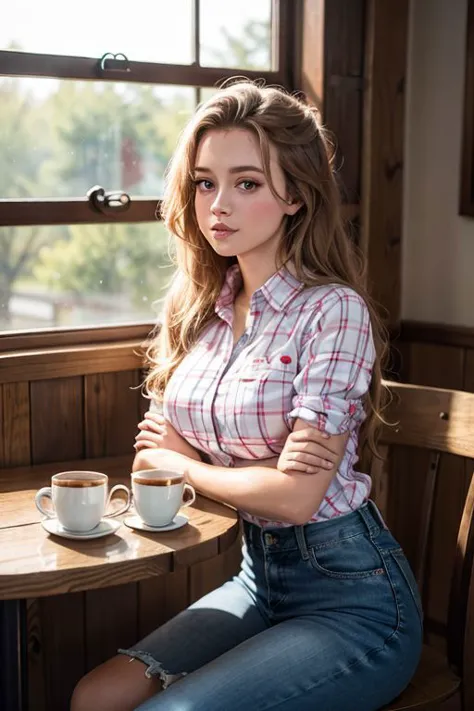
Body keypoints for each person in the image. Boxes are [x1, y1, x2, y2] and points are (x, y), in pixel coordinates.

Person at [71, 81, 423, 711]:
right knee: (94, 696)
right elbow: (150, 457)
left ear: (296, 195)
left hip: (354, 599)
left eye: (247, 183)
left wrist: (189, 465)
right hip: (258, 580)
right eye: (205, 183)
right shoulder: (202, 311)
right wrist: (220, 468)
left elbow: (295, 497)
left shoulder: (331, 312)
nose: (218, 206)